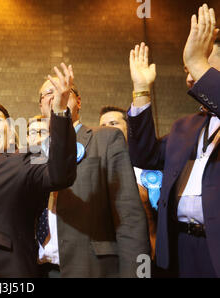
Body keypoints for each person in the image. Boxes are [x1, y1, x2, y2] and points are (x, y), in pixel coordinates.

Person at [0, 63, 77, 277]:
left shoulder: (28, 158)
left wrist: (58, 111)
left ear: (9, 128)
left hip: (7, 269)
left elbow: (60, 175)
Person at [127, 4, 220, 277]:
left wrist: (197, 61)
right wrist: (141, 91)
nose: (190, 77)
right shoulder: (185, 126)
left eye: (202, 66)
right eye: (188, 68)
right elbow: (145, 156)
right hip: (178, 248)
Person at [38, 72, 149, 277]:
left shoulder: (106, 139)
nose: (56, 95)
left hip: (91, 267)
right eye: (48, 92)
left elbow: (130, 217)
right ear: (41, 106)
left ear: (78, 102)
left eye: (64, 90)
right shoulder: (34, 153)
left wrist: (140, 274)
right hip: (41, 269)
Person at [99, 105, 158, 260]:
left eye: (113, 124)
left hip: (147, 255)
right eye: (102, 126)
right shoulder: (96, 170)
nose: (107, 129)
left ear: (128, 128)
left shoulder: (148, 167)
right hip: (110, 257)